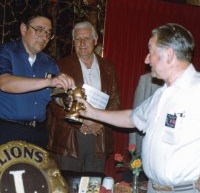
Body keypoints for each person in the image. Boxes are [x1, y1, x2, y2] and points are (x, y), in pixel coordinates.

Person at [78, 23, 200, 193]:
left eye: (151, 51)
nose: (146, 59)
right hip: (154, 188)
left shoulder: (197, 90)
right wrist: (91, 112)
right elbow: (132, 118)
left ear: (170, 55)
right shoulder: (162, 94)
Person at [47, 21, 120, 173]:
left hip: (99, 135)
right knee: (69, 184)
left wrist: (99, 123)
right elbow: (54, 103)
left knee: (92, 184)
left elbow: (115, 100)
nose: (82, 43)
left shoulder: (108, 67)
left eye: (86, 38)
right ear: (73, 42)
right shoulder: (61, 65)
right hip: (70, 136)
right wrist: (80, 123)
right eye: (78, 39)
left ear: (95, 40)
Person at [0, 11, 75, 149]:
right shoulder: (5, 52)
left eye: (48, 32)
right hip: (6, 131)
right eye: (40, 30)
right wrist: (48, 82)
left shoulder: (50, 63)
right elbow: (4, 83)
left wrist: (67, 100)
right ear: (24, 29)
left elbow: (56, 95)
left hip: (38, 133)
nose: (45, 37)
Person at [129, 72, 164, 156]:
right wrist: (133, 145)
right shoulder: (145, 80)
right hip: (146, 145)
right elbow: (135, 115)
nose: (147, 60)